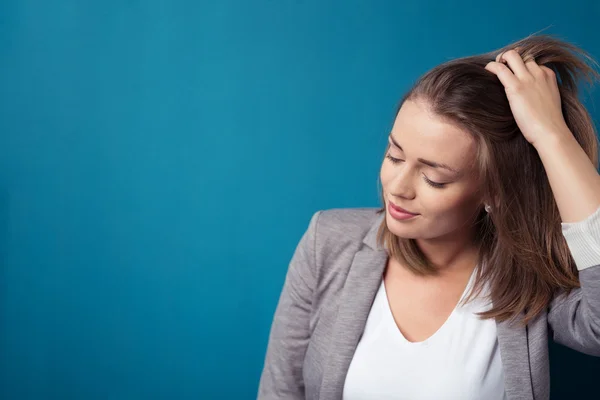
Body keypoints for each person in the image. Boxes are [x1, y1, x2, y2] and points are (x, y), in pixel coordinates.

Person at [257, 34, 600, 400]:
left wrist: (551, 136)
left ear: (493, 192)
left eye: (433, 178)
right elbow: (280, 391)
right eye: (394, 155)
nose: (398, 188)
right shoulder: (327, 241)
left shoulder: (528, 278)